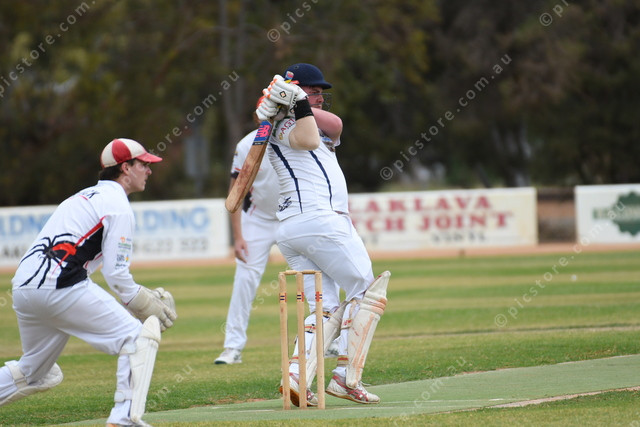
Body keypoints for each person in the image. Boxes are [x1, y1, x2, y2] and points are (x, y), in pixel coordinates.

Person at [0, 138, 178, 427]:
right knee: (137, 337)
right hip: (60, 286)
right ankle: (123, 420)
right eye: (143, 164)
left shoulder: (81, 196)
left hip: (23, 288)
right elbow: (116, 275)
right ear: (125, 168)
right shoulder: (118, 206)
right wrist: (141, 303)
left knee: (36, 372)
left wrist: (135, 297)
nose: (149, 170)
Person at [258, 64, 391, 406]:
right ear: (295, 89)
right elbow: (308, 140)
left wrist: (299, 101)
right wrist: (293, 106)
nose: (319, 98)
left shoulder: (305, 116)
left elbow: (335, 125)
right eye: (313, 92)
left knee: (326, 307)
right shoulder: (282, 124)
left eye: (320, 94)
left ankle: (296, 377)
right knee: (368, 292)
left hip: (294, 228)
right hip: (319, 221)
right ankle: (346, 377)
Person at [214, 114, 280, 365]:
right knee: (244, 279)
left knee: (314, 275)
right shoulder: (246, 145)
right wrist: (238, 237)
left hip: (292, 215)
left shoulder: (296, 138)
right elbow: (236, 191)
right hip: (257, 219)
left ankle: (328, 339)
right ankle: (232, 347)